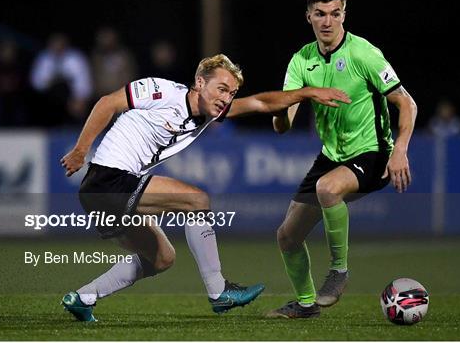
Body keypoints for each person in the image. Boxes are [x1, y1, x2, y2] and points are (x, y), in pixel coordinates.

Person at [60, 53, 350, 322]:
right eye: (222, 89)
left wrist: (308, 93)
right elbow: (108, 103)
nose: (227, 98)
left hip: (106, 192)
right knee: (196, 199)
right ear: (200, 82)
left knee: (162, 258)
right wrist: (80, 150)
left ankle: (84, 297)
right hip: (107, 179)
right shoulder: (164, 91)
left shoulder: (211, 111)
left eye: (232, 93)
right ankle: (218, 291)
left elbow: (261, 103)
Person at [268, 0, 418, 318]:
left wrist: (400, 150)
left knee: (327, 188)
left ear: (344, 15)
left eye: (335, 13)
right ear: (309, 16)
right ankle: (306, 304)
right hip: (332, 155)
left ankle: (339, 271)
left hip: (374, 152)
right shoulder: (301, 61)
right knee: (287, 236)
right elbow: (283, 125)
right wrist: (281, 108)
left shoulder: (363, 54)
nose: (327, 21)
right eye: (320, 14)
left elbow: (406, 102)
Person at [30, 33, 92, 126]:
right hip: (49, 98)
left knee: (77, 103)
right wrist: (52, 80)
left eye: (60, 44)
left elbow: (83, 81)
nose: (57, 47)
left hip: (71, 98)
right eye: (54, 44)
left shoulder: (76, 57)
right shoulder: (44, 58)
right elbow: (36, 82)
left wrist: (79, 98)